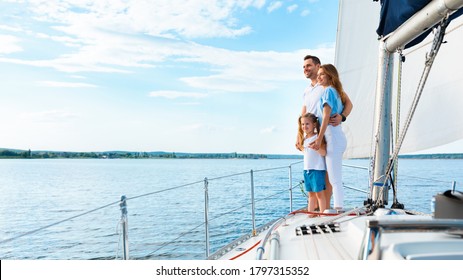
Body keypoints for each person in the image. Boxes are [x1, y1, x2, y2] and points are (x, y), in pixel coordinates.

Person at [296, 55, 352, 209]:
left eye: (309, 65)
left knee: (327, 175)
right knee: (315, 170)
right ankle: (315, 209)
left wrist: (342, 116)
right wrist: (299, 135)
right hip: (311, 135)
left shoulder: (327, 87)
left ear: (317, 66)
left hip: (325, 135)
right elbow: (303, 114)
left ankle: (326, 209)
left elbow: (348, 103)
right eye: (304, 67)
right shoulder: (307, 90)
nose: (305, 69)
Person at [310, 64, 348, 211]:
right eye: (318, 74)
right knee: (334, 177)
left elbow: (325, 116)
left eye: (322, 74)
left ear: (330, 76)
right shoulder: (335, 92)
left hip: (333, 137)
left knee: (334, 178)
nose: (318, 77)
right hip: (336, 136)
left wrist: (319, 139)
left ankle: (339, 208)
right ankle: (338, 207)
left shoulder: (329, 91)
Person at [297, 113, 327, 215]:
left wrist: (317, 148)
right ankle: (311, 213)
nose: (304, 126)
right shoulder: (304, 139)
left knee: (319, 194)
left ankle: (323, 214)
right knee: (310, 195)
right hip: (307, 170)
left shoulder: (317, 137)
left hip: (317, 170)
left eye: (307, 124)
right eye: (302, 124)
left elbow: (324, 152)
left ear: (314, 124)